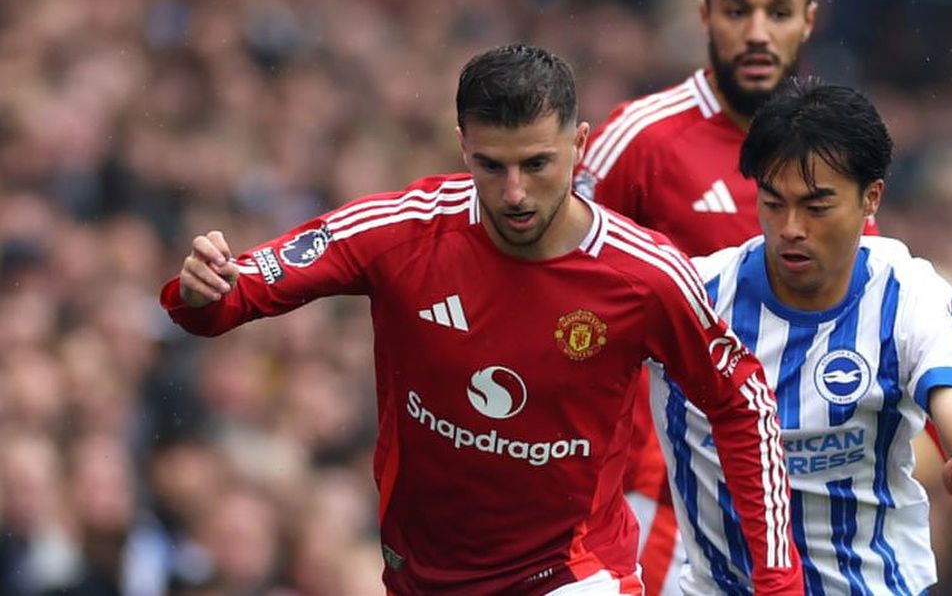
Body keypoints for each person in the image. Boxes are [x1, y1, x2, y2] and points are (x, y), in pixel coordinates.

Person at [159, 44, 803, 595]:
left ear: (579, 147)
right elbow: (233, 297)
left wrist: (778, 581)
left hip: (573, 572)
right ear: (462, 143)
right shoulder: (400, 230)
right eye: (491, 166)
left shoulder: (646, 274)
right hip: (424, 573)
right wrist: (203, 290)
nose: (515, 192)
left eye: (537, 164)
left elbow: (742, 403)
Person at [575, 0, 952, 590]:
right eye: (738, 11)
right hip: (672, 492)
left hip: (844, 522)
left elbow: (902, 345)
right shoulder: (637, 143)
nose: (758, 32)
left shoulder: (851, 175)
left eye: (778, 12)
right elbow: (569, 291)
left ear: (809, 21)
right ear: (704, 17)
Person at [652, 78, 952, 594]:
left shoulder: (914, 298)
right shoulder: (690, 299)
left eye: (816, 206)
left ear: (871, 198)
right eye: (773, 203)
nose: (791, 227)